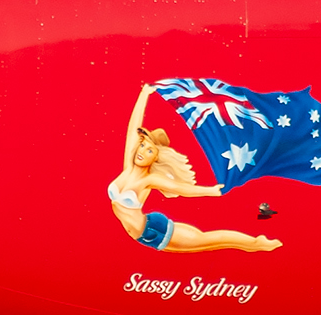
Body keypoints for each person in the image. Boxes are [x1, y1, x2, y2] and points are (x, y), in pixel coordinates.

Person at [108, 84, 281, 253]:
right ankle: (255, 244)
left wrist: (211, 191)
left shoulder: (149, 179)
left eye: (150, 150)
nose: (142, 152)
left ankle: (257, 242)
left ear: (155, 158)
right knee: (208, 243)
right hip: (144, 234)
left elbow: (182, 189)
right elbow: (133, 129)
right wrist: (144, 95)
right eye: (142, 146)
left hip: (153, 231)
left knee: (207, 240)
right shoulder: (128, 167)